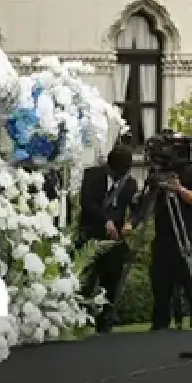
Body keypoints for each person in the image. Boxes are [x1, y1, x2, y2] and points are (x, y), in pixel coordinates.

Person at [140, 130, 192, 333]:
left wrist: (179, 189)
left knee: (190, 281)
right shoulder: (156, 174)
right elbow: (145, 204)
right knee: (160, 283)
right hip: (162, 237)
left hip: (185, 235)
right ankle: (160, 322)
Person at [77, 143, 139, 333]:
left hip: (115, 239)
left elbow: (135, 208)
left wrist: (131, 223)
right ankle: (80, 319)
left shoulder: (129, 183)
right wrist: (105, 221)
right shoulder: (92, 175)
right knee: (86, 280)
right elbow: (87, 202)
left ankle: (105, 322)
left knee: (111, 279)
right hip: (92, 234)